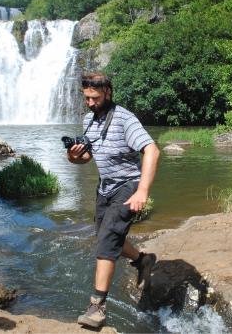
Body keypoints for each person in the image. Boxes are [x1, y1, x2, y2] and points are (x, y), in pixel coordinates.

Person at [67, 72, 160, 328]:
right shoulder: (90, 119)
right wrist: (74, 157)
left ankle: (97, 307)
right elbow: (87, 157)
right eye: (86, 98)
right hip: (105, 187)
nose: (90, 103)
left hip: (127, 186)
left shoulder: (125, 119)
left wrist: (142, 190)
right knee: (107, 236)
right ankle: (143, 260)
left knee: (107, 240)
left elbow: (152, 150)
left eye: (94, 98)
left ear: (108, 92)